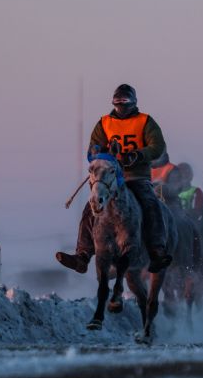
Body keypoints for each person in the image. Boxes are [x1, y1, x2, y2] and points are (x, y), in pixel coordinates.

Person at [56, 84, 172, 274]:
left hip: (137, 176)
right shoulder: (104, 123)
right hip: (110, 178)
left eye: (125, 104)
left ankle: (157, 251)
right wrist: (97, 153)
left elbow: (157, 146)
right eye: (118, 104)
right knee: (91, 206)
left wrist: (137, 155)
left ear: (133, 103)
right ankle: (82, 255)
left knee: (151, 204)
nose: (121, 109)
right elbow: (93, 149)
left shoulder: (146, 122)